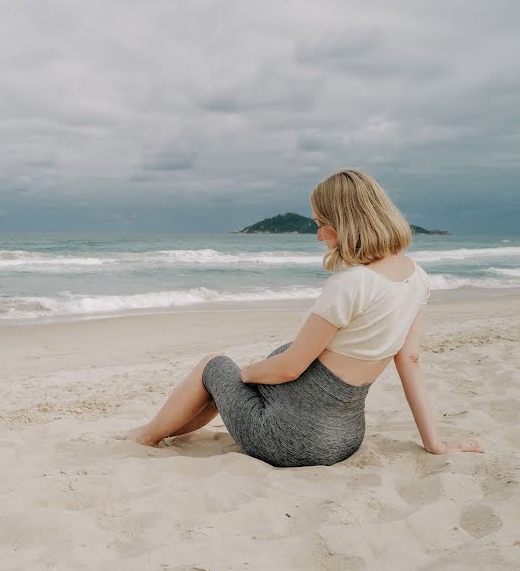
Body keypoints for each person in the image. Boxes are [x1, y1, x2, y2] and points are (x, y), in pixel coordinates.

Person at [122, 170, 483, 466]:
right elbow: (410, 360)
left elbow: (290, 369)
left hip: (288, 441)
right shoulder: (416, 277)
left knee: (214, 367)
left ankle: (147, 437)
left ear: (345, 225)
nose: (318, 234)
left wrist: (246, 373)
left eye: (321, 223)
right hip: (344, 440)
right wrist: (434, 443)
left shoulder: (351, 285)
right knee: (237, 380)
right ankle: (162, 429)